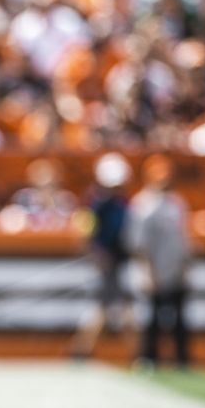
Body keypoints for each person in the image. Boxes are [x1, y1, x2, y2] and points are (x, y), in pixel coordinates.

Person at [125, 155, 192, 369]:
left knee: (179, 318)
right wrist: (148, 272)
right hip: (154, 271)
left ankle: (182, 360)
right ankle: (148, 359)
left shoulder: (177, 203)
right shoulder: (143, 205)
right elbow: (139, 245)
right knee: (150, 318)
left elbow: (183, 239)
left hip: (174, 269)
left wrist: (185, 268)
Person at [70, 153, 135, 358]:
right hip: (107, 265)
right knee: (112, 309)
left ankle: (81, 352)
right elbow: (85, 235)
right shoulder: (96, 204)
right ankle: (139, 356)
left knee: (107, 310)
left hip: (119, 263)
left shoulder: (121, 202)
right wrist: (98, 255)